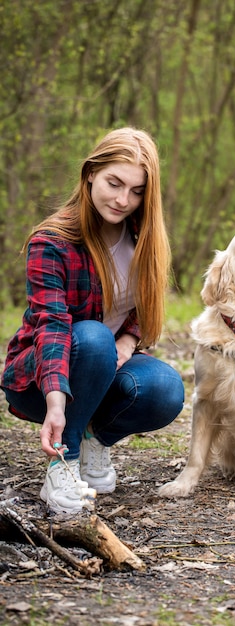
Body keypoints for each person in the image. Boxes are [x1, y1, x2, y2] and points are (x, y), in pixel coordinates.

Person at [1, 127, 184, 515]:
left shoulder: (144, 241)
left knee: (166, 388)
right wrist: (54, 402)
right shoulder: (51, 241)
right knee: (95, 336)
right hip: (42, 378)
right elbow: (51, 325)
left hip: (105, 369)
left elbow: (141, 312)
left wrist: (129, 341)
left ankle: (93, 438)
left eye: (137, 191)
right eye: (114, 183)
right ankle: (61, 463)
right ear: (89, 174)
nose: (123, 200)